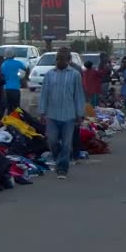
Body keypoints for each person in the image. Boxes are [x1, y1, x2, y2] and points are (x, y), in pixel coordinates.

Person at [39, 48, 85, 179]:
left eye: (62, 58)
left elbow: (78, 95)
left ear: (68, 60)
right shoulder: (49, 75)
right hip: (52, 115)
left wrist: (79, 114)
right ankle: (59, 159)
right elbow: (44, 94)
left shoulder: (75, 75)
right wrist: (42, 112)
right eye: (57, 58)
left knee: (66, 143)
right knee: (52, 142)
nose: (59, 61)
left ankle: (62, 169)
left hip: (69, 116)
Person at [1, 48, 26, 113]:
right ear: (14, 55)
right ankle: (15, 121)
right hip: (16, 88)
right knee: (16, 108)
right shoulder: (18, 63)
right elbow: (25, 69)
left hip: (6, 88)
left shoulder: (3, 64)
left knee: (9, 107)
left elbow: (2, 76)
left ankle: (9, 121)